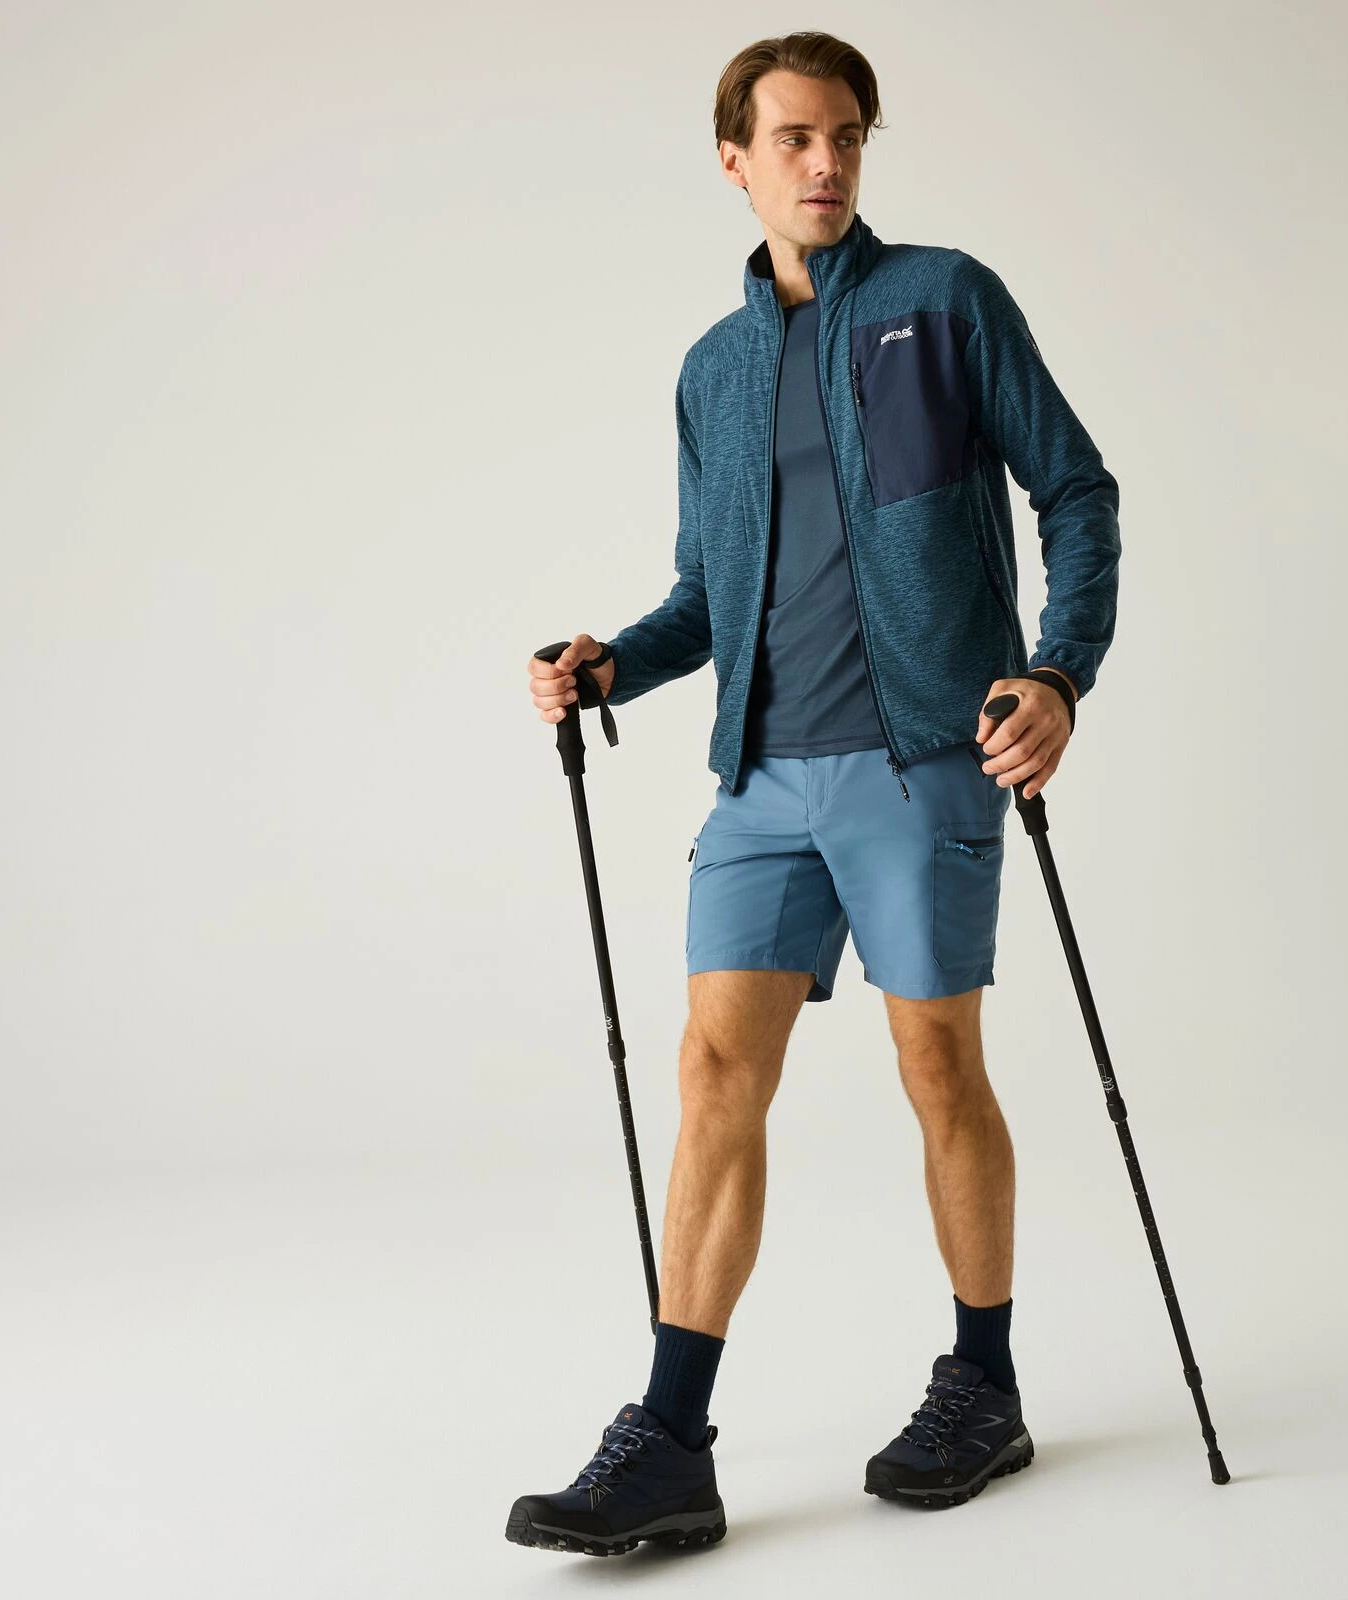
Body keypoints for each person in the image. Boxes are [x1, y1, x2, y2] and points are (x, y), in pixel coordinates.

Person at [509, 29, 1119, 1558]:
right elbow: (706, 597)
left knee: (937, 1069)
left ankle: (984, 1387)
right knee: (715, 1069)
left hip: (923, 762)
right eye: (793, 138)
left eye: (846, 135)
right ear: (736, 159)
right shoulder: (711, 373)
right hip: (763, 778)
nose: (826, 162)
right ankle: (671, 1442)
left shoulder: (946, 302)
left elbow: (1077, 489)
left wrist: (1056, 674)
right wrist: (609, 666)